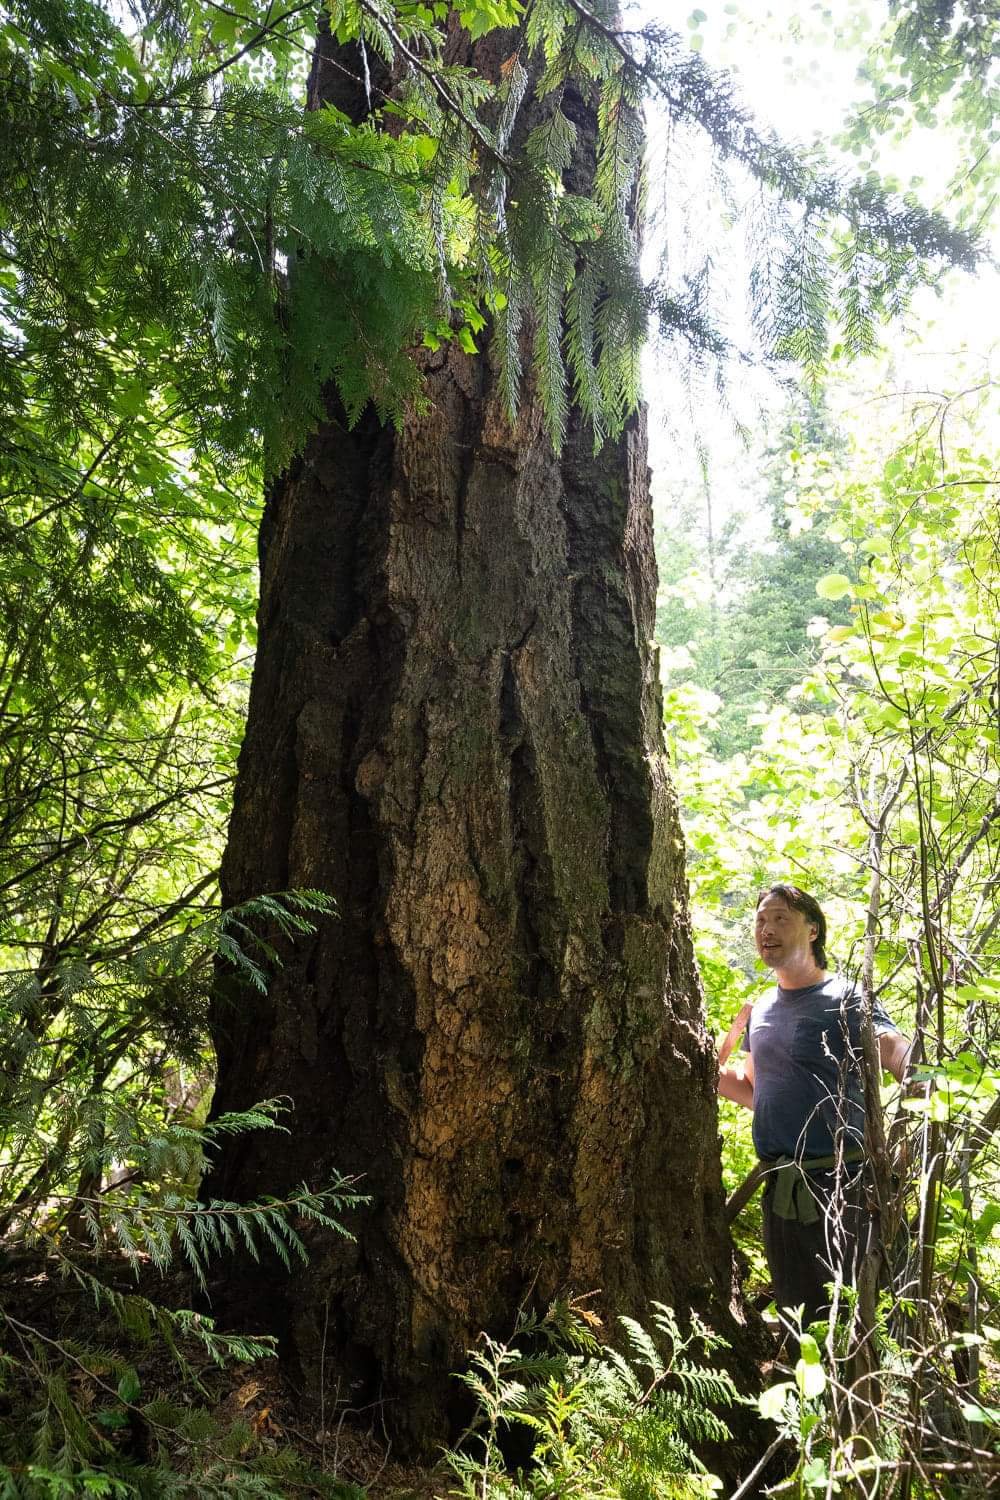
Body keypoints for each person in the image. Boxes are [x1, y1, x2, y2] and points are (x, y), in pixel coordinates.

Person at [718, 883, 910, 1330]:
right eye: (761, 920)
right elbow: (753, 1089)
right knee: (801, 1319)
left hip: (847, 1187)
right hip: (781, 1188)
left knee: (863, 1319)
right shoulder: (761, 1008)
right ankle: (814, 1400)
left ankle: (871, 1398)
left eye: (781, 918)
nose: (767, 929)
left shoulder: (844, 997)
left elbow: (894, 1048)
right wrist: (704, 1064)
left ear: (813, 930)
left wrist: (919, 1076)